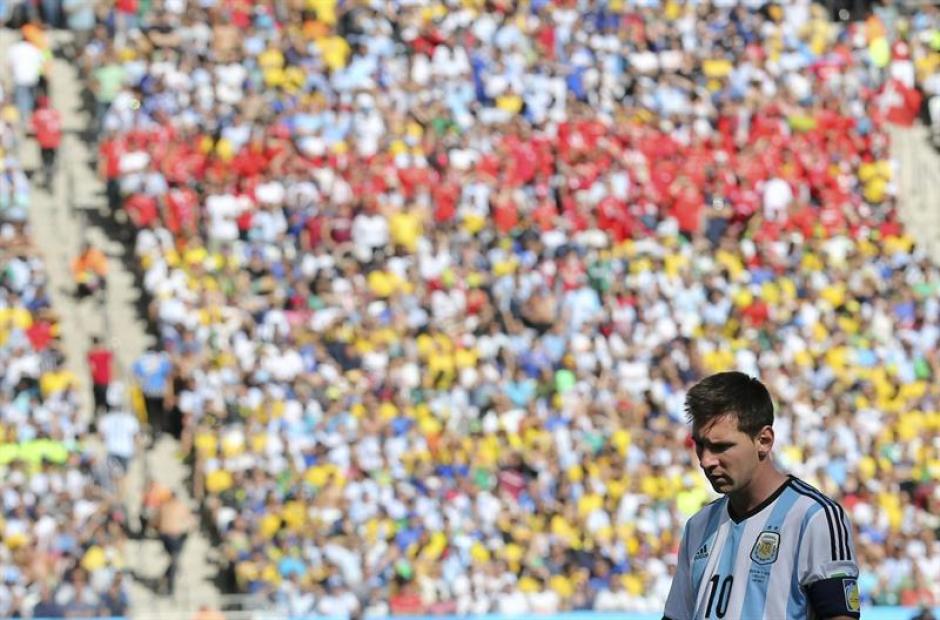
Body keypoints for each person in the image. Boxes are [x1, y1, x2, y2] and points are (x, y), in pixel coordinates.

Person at [663, 372, 861, 620]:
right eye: (700, 445)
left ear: (764, 441)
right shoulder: (698, 526)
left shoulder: (814, 517)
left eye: (720, 447)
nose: (705, 460)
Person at [157, 490, 196, 596]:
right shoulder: (171, 506)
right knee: (174, 559)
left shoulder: (167, 506)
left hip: (170, 536)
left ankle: (167, 580)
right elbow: (192, 521)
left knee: (174, 559)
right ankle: (169, 583)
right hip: (171, 536)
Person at [30, 95, 61, 189]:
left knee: (45, 161)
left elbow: (33, 128)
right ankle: (50, 175)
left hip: (43, 142)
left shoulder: (37, 114)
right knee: (52, 160)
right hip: (54, 141)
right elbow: (58, 126)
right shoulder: (55, 113)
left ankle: (48, 176)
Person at [86, 335, 113, 415]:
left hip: (102, 380)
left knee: (102, 401)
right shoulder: (104, 354)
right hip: (100, 380)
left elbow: (92, 368)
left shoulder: (93, 354)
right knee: (103, 401)